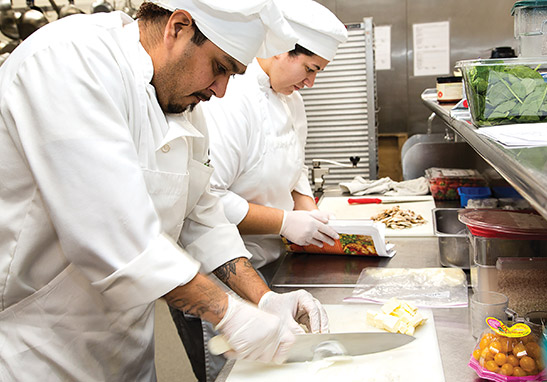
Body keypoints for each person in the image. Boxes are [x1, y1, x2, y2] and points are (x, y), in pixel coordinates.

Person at [0, 0, 327, 380]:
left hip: (127, 345)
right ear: (178, 27)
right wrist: (229, 313)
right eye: (220, 68)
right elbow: (114, 238)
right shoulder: (68, 61)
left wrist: (264, 298)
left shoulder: (184, 104)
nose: (220, 91)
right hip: (38, 349)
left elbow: (202, 216)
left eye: (232, 76)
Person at [169, 1, 348, 380]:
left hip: (265, 263)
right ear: (283, 49)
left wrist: (305, 208)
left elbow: (294, 166)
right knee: (238, 373)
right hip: (214, 278)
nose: (310, 82)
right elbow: (207, 201)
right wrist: (284, 222)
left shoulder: (293, 102)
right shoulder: (227, 98)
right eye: (310, 69)